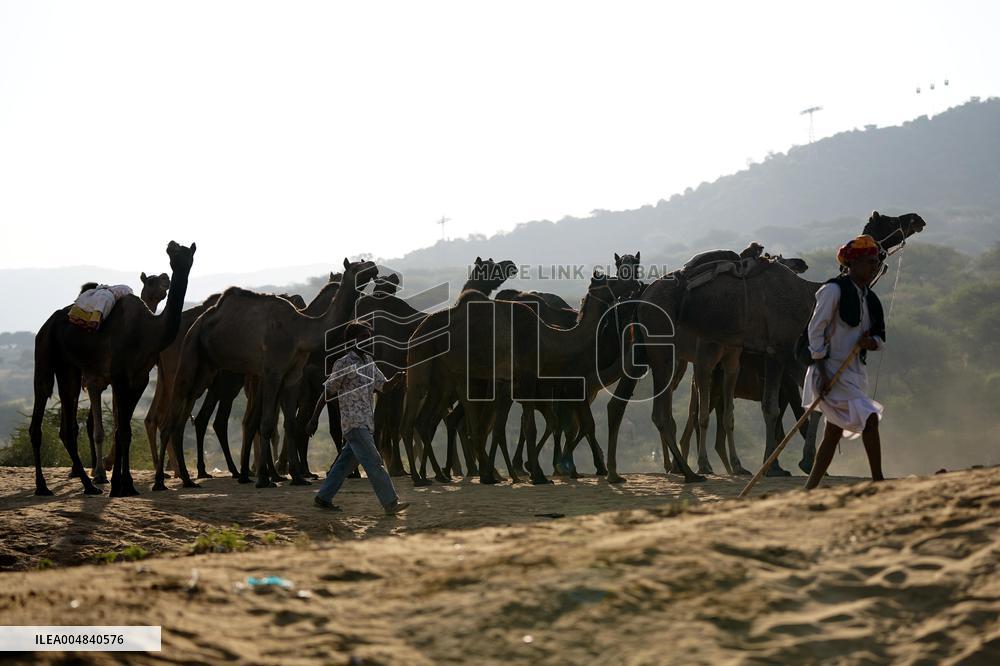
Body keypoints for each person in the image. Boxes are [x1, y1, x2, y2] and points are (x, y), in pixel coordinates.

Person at [803, 234, 887, 490]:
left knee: (832, 433)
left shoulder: (869, 298)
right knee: (870, 418)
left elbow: (879, 337)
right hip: (828, 372)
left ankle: (809, 489)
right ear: (854, 264)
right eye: (870, 262)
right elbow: (815, 331)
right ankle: (878, 482)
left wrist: (870, 342)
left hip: (853, 373)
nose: (875, 267)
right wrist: (821, 371)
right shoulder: (832, 290)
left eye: (876, 263)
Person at [306, 320, 409, 514]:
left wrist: (395, 380)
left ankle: (323, 497)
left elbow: (383, 387)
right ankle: (390, 503)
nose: (367, 340)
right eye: (363, 337)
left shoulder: (369, 363)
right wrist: (314, 419)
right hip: (353, 423)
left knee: (344, 465)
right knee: (374, 462)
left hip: (365, 424)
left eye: (368, 337)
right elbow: (327, 392)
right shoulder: (343, 363)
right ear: (351, 341)